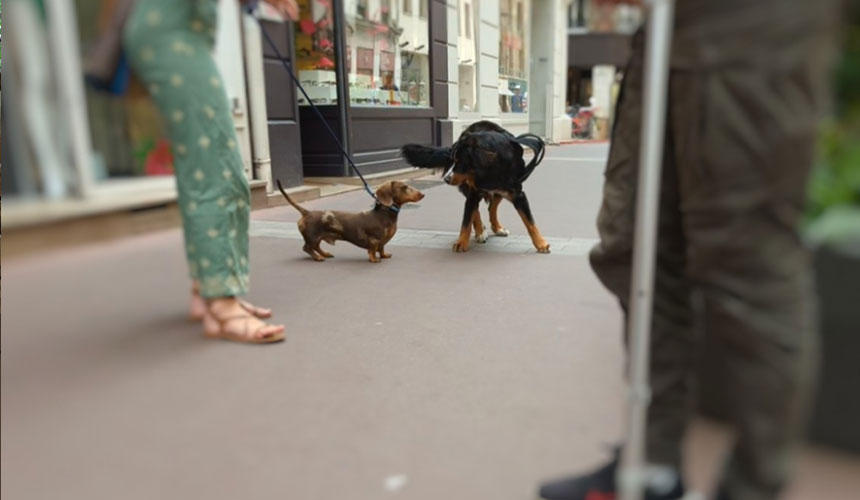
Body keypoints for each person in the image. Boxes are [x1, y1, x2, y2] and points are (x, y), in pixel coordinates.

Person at [539, 1, 838, 499]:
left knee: (746, 263)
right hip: (665, 27)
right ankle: (651, 468)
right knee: (635, 249)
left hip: (748, 26)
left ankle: (751, 488)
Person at [123, 0, 298, 343]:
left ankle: (208, 291)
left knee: (201, 170)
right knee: (218, 170)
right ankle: (221, 303)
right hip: (173, 32)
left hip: (169, 29)